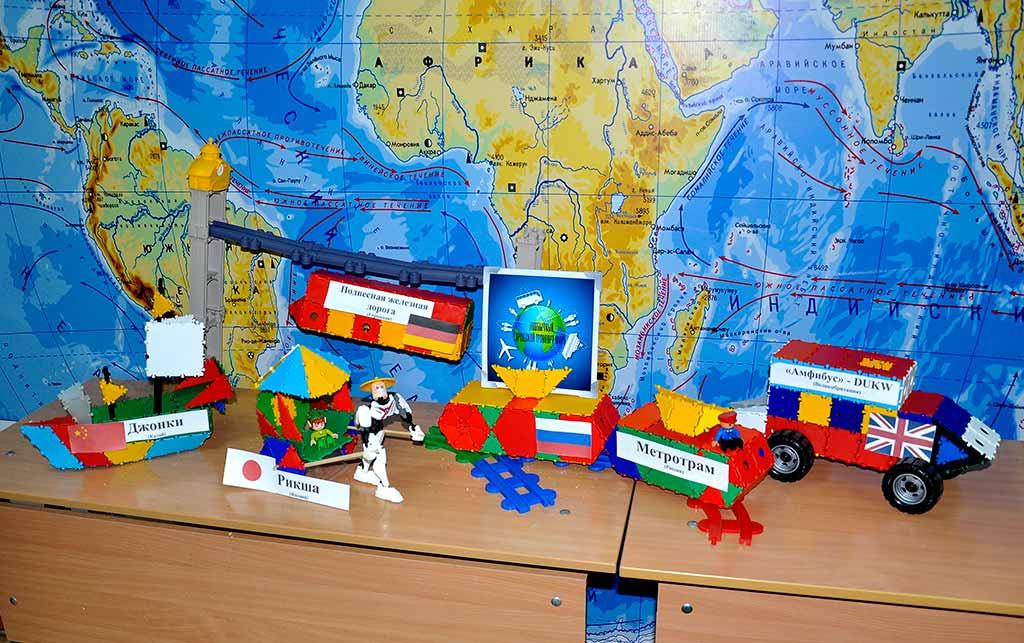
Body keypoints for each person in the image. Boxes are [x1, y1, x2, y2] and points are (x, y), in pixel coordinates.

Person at [352, 376, 425, 503]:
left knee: (373, 453)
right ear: (372, 392)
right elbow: (364, 429)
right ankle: (384, 487)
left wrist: (413, 428)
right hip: (370, 435)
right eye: (376, 388)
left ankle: (362, 472)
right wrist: (369, 444)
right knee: (379, 456)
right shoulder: (367, 409)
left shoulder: (394, 399)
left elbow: (405, 414)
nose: (380, 390)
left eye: (382, 387)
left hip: (379, 431)